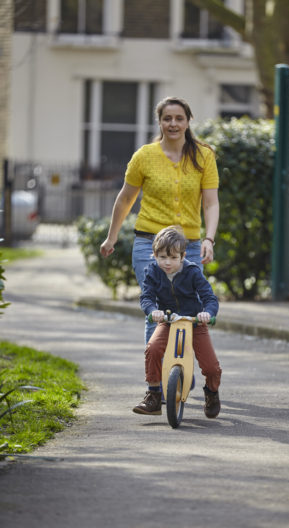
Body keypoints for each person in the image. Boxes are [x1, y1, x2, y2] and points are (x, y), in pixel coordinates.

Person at [100, 96, 219, 343]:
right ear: (160, 122)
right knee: (155, 311)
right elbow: (125, 200)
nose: (173, 124)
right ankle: (155, 376)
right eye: (167, 119)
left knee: (188, 309)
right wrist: (111, 238)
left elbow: (210, 202)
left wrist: (209, 238)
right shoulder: (144, 156)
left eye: (179, 118)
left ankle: (180, 368)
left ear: (188, 122)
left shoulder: (204, 156)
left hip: (188, 247)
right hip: (149, 244)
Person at [132, 225, 222, 418]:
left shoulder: (192, 272)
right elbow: (146, 297)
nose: (167, 263)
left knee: (211, 367)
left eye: (173, 257)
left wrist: (208, 313)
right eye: (162, 257)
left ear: (182, 256)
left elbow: (209, 297)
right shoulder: (152, 272)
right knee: (153, 348)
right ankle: (154, 395)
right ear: (155, 255)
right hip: (168, 320)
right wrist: (153, 311)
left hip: (195, 322)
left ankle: (212, 393)